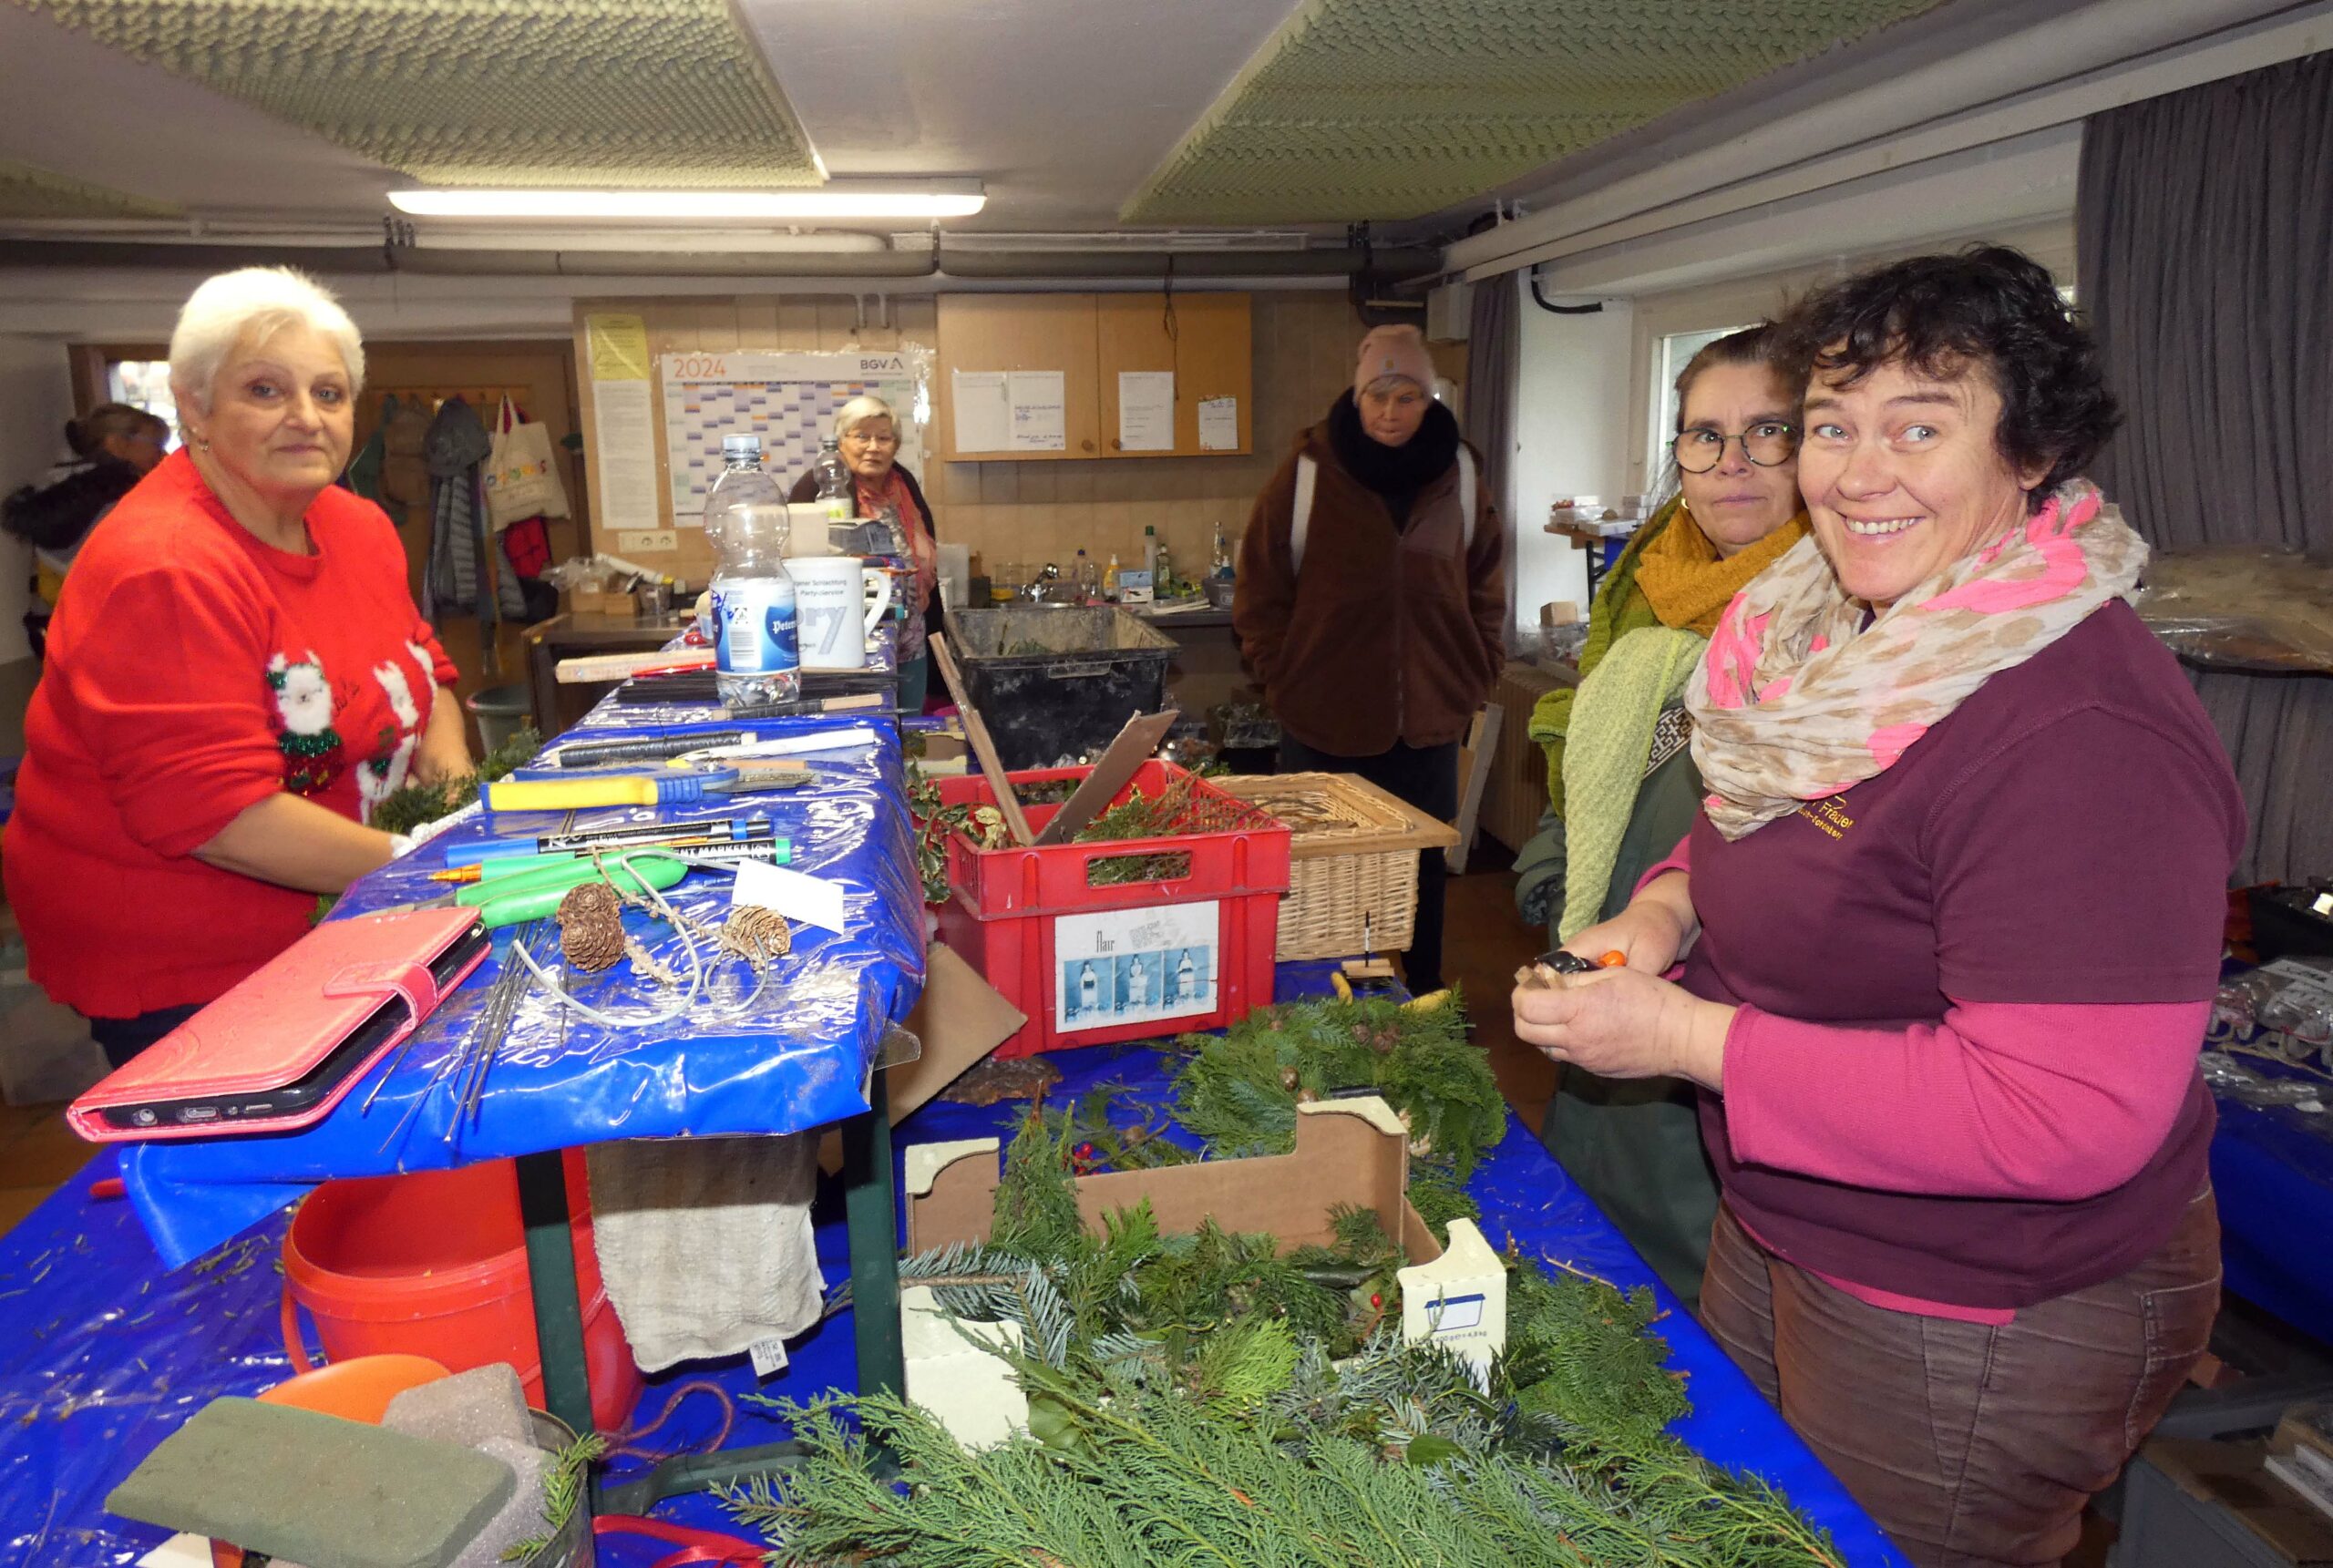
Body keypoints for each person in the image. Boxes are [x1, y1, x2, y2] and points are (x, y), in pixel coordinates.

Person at [1511, 246, 2239, 1568]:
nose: (1858, 470)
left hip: (1975, 1302)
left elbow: (2055, 1115)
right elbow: (1757, 840)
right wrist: (1668, 918)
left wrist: (1683, 1043)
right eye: (1834, 425)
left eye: (1920, 425)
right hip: (1790, 1215)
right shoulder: (1826, 641)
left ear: (2030, 449)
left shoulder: (2079, 729)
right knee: (1733, 1529)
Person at [2, 267, 471, 1067]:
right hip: (192, 964)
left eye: (329, 393)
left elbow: (426, 670)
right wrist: (437, 862)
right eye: (264, 390)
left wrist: (452, 775)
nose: (305, 418)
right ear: (194, 405)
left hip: (348, 911)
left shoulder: (354, 525)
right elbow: (219, 818)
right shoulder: (165, 566)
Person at [1524, 324, 1811, 1309]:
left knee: (1697, 1309)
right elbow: (1585, 753)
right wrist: (1555, 878)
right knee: (1582, 1261)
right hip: (1613, 957)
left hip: (1728, 1013)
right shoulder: (1647, 586)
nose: (1731, 463)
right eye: (1704, 435)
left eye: (1766, 431)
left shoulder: (1843, 615)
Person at [1234, 324, 1503, 995]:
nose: (1390, 411)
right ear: (1357, 396)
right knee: (1324, 874)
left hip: (1429, 724)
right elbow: (1259, 590)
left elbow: (1486, 583)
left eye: (1407, 395)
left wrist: (1475, 672)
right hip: (1323, 721)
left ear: (1429, 397)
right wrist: (1283, 679)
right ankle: (1321, 998)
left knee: (1422, 871)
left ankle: (1427, 994)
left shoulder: (1460, 473)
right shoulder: (1307, 473)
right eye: (1378, 394)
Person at [787, 394, 938, 711]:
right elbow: (796, 562)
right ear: (842, 442)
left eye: (884, 438)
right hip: (851, 636)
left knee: (910, 723)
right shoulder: (814, 487)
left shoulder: (903, 482)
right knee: (865, 716)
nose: (873, 447)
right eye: (862, 436)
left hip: (909, 633)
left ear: (895, 445)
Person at [3, 402, 171, 660]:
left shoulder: (54, 484)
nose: (164, 455)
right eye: (157, 445)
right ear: (117, 444)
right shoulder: (121, 497)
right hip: (107, 632)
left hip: (53, 626)